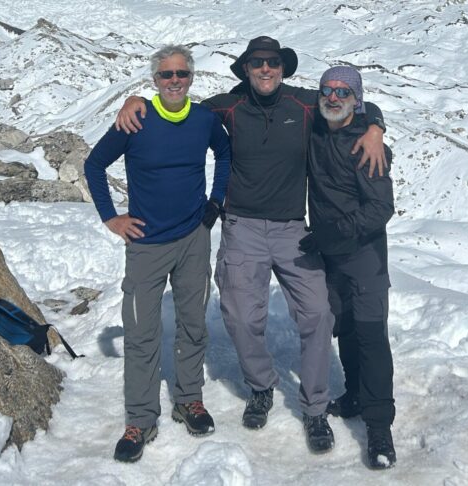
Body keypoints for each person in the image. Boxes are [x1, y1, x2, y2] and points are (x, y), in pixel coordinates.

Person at [115, 36, 387, 454]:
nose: (265, 68)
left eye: (273, 62)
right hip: (241, 226)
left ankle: (314, 407)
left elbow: (349, 100)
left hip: (294, 228)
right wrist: (137, 98)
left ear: (283, 68)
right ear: (245, 68)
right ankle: (261, 386)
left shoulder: (305, 104)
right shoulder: (227, 106)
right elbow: (176, 107)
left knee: (318, 313)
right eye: (257, 62)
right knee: (240, 317)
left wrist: (374, 127)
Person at [84, 44, 231, 463]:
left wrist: (216, 201)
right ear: (154, 80)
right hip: (146, 244)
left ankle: (189, 400)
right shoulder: (137, 119)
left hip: (192, 239)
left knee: (192, 324)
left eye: (181, 74)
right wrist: (111, 218)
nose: (174, 81)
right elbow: (94, 166)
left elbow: (224, 153)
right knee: (141, 333)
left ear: (191, 78)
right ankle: (141, 419)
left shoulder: (203, 120)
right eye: (166, 75)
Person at [301, 66, 396, 469]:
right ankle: (355, 392)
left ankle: (379, 428)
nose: (334, 97)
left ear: (356, 99)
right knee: (346, 327)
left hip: (364, 255)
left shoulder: (365, 145)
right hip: (332, 254)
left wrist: (374, 128)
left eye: (344, 92)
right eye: (328, 90)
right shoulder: (317, 127)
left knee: (372, 334)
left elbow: (381, 207)